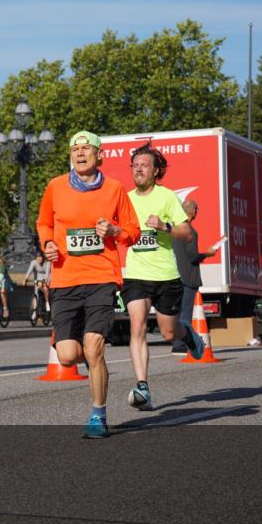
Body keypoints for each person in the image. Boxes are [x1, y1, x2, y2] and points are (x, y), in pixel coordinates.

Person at [37, 130, 140, 439]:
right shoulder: (55, 187)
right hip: (65, 278)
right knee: (68, 355)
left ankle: (98, 414)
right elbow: (43, 222)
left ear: (100, 155)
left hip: (101, 277)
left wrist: (114, 230)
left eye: (86, 149)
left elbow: (133, 232)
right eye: (75, 149)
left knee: (94, 349)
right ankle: (92, 358)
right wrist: (46, 244)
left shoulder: (115, 189)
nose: (80, 153)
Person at [122, 144, 205, 411]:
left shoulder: (167, 197)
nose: (139, 169)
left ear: (156, 171)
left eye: (144, 165)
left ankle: (188, 334)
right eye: (135, 165)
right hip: (136, 273)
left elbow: (187, 233)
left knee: (170, 331)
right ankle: (142, 386)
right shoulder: (124, 198)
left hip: (166, 276)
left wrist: (164, 226)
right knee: (137, 327)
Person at [170, 199, 219, 355]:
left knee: (176, 312)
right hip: (188, 277)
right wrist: (208, 254)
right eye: (196, 210)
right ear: (192, 212)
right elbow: (192, 257)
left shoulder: (173, 230)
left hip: (174, 276)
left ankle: (176, 342)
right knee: (186, 312)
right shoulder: (190, 231)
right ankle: (180, 344)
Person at [25, 252, 52, 317]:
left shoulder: (47, 263)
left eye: (40, 257)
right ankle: (35, 311)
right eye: (37, 257)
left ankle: (47, 302)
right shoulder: (34, 262)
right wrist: (26, 278)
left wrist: (45, 281)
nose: (39, 259)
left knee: (45, 288)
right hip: (38, 278)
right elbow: (29, 271)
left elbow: (47, 273)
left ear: (43, 258)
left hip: (47, 277)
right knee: (36, 293)